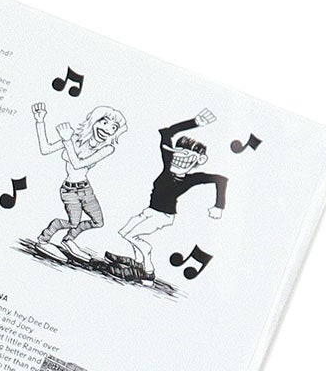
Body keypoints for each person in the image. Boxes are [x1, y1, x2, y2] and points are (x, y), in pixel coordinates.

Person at [111, 109, 228, 276]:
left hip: (163, 215)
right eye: (180, 151)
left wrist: (219, 206)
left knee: (132, 236)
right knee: (125, 232)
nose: (182, 157)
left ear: (200, 160)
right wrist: (195, 122)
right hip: (150, 211)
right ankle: (137, 263)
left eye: (189, 155)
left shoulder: (191, 179)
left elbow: (221, 180)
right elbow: (166, 132)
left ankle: (148, 271)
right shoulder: (168, 165)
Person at [29, 103, 127, 261]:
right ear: (93, 121)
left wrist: (67, 141)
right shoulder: (74, 138)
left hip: (86, 189)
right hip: (69, 190)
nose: (107, 129)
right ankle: (44, 240)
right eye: (104, 122)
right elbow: (45, 149)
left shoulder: (107, 148)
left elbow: (79, 164)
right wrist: (40, 121)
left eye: (114, 127)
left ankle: (68, 240)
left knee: (98, 221)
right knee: (73, 222)